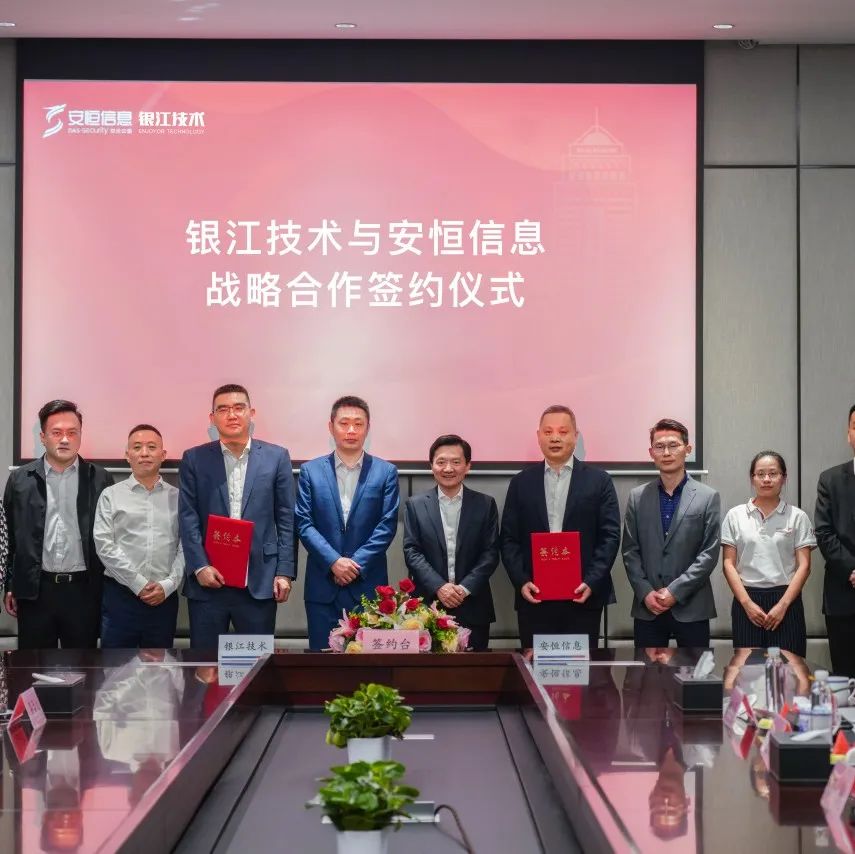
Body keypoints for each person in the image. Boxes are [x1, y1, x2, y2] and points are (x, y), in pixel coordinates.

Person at [178, 384, 295, 649]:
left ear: (251, 413)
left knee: (256, 664)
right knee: (205, 664)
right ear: (212, 418)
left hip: (260, 579)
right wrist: (200, 566)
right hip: (208, 580)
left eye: (238, 408)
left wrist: (284, 572)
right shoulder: (194, 458)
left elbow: (287, 519)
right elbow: (187, 517)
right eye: (223, 409)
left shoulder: (276, 457)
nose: (231, 415)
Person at [500, 404, 620, 648]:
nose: (555, 438)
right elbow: (509, 539)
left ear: (576, 436)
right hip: (534, 597)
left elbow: (609, 536)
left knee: (581, 669)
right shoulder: (521, 482)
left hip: (582, 596)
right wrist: (522, 581)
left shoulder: (599, 481)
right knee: (535, 667)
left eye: (563, 432)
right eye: (548, 432)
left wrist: (592, 580)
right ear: (538, 436)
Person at [3, 400, 113, 648]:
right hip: (35, 591)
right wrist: (10, 585)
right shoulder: (20, 480)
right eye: (56, 432)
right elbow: (10, 539)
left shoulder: (100, 478)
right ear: (43, 437)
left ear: (80, 436)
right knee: (34, 666)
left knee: (84, 666)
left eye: (72, 432)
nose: (65, 439)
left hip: (84, 591)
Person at [296, 396, 399, 650]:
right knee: (322, 662)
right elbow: (304, 523)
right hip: (323, 586)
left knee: (368, 663)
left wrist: (355, 565)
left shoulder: (385, 472)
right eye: (344, 423)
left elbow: (387, 525)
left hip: (368, 587)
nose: (351, 430)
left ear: (368, 428)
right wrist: (334, 561)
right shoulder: (310, 471)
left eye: (358, 423)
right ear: (331, 427)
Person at [622, 419, 721, 648]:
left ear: (687, 449)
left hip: (692, 607)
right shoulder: (637, 497)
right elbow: (629, 551)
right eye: (659, 446)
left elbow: (709, 554)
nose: (666, 452)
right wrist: (645, 592)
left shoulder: (708, 497)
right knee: (646, 672)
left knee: (696, 671)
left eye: (673, 445)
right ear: (651, 453)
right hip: (648, 608)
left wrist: (675, 592)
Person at [403, 434, 499, 651]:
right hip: (428, 607)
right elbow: (412, 552)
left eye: (456, 462)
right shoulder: (415, 505)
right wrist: (439, 587)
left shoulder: (485, 504)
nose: (448, 468)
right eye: (441, 462)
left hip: (473, 605)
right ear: (431, 466)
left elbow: (491, 553)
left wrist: (464, 589)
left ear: (467, 466)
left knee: (474, 669)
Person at [94, 425, 184, 648]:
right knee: (116, 666)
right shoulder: (110, 495)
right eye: (137, 447)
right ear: (127, 455)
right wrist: (138, 584)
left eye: (152, 447)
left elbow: (185, 545)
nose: (144, 453)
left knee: (159, 666)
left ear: (163, 454)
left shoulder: (179, 498)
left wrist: (169, 584)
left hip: (164, 598)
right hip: (121, 596)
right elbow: (104, 545)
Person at [721, 451, 815, 656]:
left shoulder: (798, 517)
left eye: (773, 473)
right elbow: (728, 564)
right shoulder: (735, 516)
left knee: (789, 669)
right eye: (760, 474)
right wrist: (747, 604)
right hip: (747, 599)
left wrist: (783, 605)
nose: (766, 479)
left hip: (786, 600)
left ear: (784, 478)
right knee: (748, 669)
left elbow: (805, 566)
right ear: (752, 478)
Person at [815, 404, 855, 676]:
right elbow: (824, 532)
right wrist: (852, 569)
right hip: (843, 595)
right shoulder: (830, 480)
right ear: (848, 433)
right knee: (845, 677)